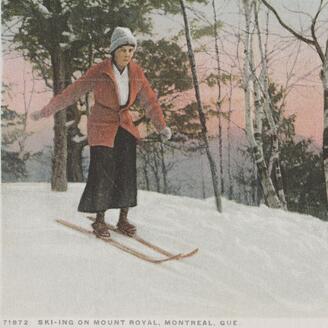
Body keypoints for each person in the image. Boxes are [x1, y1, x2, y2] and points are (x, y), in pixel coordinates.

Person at [31, 26, 172, 239]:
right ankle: (99, 219)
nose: (127, 54)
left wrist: (161, 126)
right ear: (114, 50)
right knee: (103, 170)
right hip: (101, 126)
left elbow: (150, 101)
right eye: (123, 49)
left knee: (126, 171)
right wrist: (45, 111)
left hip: (123, 124)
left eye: (131, 50)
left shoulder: (136, 72)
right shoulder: (100, 71)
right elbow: (72, 92)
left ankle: (123, 218)